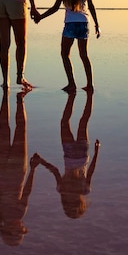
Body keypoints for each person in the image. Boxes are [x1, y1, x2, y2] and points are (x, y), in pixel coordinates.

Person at [35, 0, 100, 92]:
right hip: (83, 23)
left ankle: (72, 83)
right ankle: (90, 84)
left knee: (65, 54)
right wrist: (97, 25)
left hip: (70, 25)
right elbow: (92, 7)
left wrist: (41, 17)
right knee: (84, 55)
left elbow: (54, 8)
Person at [33, 91, 101, 219]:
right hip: (79, 152)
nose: (71, 201)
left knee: (68, 122)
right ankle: (87, 96)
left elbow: (55, 171)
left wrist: (41, 161)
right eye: (74, 204)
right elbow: (90, 171)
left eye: (69, 205)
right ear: (79, 203)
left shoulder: (63, 189)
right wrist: (97, 152)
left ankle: (73, 96)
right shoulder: (83, 190)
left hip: (71, 153)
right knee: (81, 121)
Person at [0, 89, 42, 245]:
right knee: (4, 128)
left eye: (20, 229)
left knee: (21, 128)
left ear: (11, 230)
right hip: (0, 170)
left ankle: (20, 99)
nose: (22, 225)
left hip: (18, 171)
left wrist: (33, 169)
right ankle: (5, 96)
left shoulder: (19, 213)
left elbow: (27, 191)